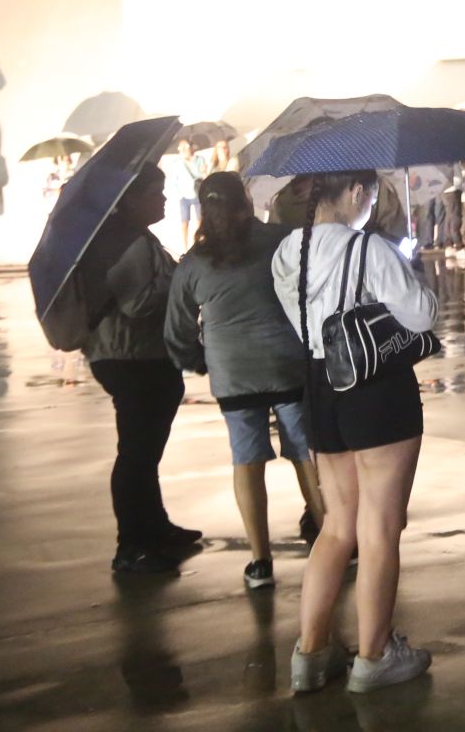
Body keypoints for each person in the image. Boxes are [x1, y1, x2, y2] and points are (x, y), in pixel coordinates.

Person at [274, 170, 436, 693]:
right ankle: (375, 655)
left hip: (319, 388)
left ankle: (311, 655)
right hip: (375, 389)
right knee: (380, 527)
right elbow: (421, 316)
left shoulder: (285, 254)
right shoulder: (369, 249)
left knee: (338, 526)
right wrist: (412, 272)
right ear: (357, 193)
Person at [164, 172, 327, 591]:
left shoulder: (193, 264)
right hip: (287, 364)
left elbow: (176, 332)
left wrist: (201, 362)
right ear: (246, 203)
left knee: (247, 461)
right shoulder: (280, 241)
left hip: (233, 374)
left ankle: (260, 562)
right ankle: (333, 544)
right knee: (304, 453)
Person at [72, 165, 192, 575]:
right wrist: (180, 279)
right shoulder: (128, 242)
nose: (162, 199)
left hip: (134, 354)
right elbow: (138, 304)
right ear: (130, 198)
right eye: (155, 192)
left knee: (143, 452)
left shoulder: (125, 237)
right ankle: (131, 544)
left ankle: (154, 527)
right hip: (129, 355)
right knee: (137, 453)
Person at [166, 137, 211, 251]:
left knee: (200, 220)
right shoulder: (177, 163)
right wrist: (179, 194)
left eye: (185, 146)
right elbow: (173, 180)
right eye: (181, 147)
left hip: (197, 194)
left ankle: (199, 243)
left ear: (191, 147)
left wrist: (204, 172)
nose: (183, 149)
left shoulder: (199, 159)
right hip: (184, 196)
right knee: (184, 222)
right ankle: (185, 247)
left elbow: (203, 176)